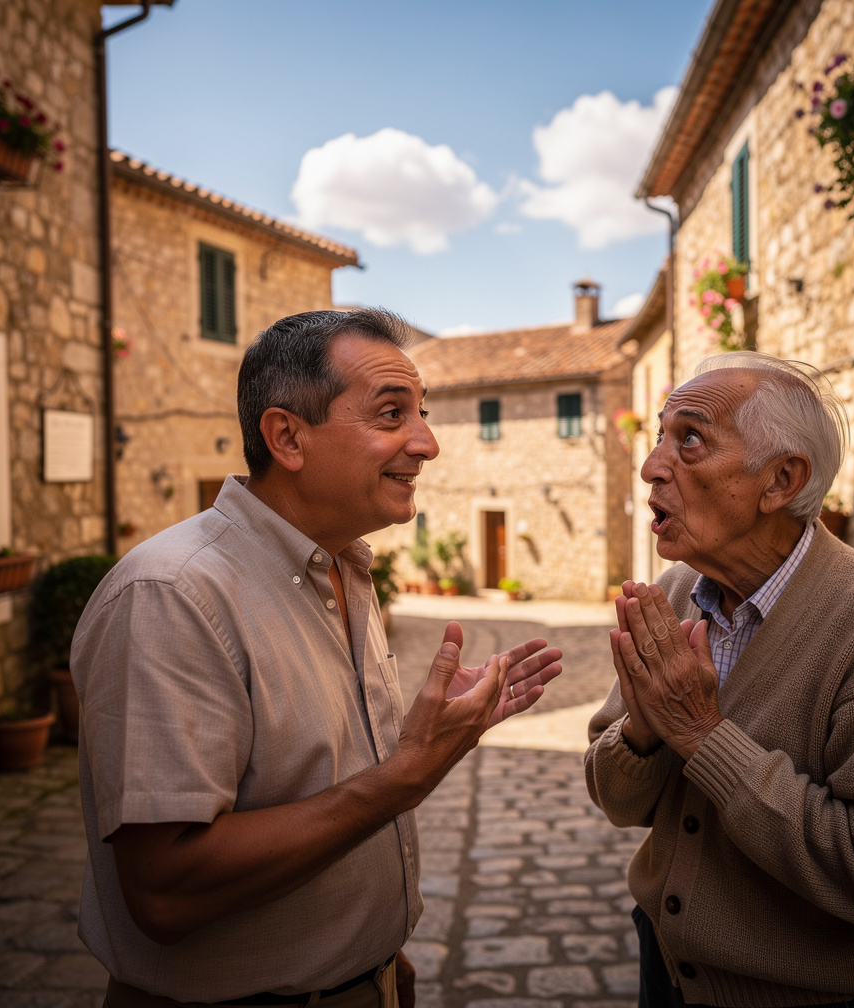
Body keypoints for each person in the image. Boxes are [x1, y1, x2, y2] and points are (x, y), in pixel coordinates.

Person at [72, 309, 562, 1008]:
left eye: (421, 414)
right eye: (391, 414)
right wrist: (403, 779)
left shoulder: (343, 570)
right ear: (287, 437)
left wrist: (377, 956)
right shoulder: (173, 596)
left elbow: (318, 782)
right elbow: (166, 892)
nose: (426, 443)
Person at [584, 351, 854, 1007]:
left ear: (780, 481)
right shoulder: (675, 594)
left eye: (691, 439)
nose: (650, 465)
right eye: (660, 435)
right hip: (669, 972)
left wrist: (704, 737)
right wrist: (644, 731)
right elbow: (617, 801)